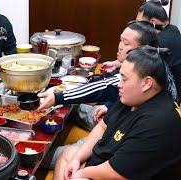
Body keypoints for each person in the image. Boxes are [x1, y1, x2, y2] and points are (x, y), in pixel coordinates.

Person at [55, 46, 181, 180]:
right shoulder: (132, 96)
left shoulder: (158, 121)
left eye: (124, 79)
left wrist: (81, 173)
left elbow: (115, 174)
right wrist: (77, 159)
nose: (119, 84)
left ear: (147, 83)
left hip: (118, 173)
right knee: (68, 156)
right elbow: (103, 126)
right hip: (106, 162)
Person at [38, 21, 159, 130]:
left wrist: (57, 97)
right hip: (122, 117)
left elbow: (104, 87)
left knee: (70, 108)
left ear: (144, 48)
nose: (120, 46)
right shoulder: (156, 62)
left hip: (120, 130)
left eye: (126, 43)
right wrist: (110, 105)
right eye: (120, 40)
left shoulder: (136, 75)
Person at [102, 0, 181, 102]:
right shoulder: (172, 29)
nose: (137, 27)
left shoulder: (161, 43)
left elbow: (138, 60)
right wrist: (116, 63)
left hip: (167, 97)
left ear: (152, 23)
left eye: (140, 23)